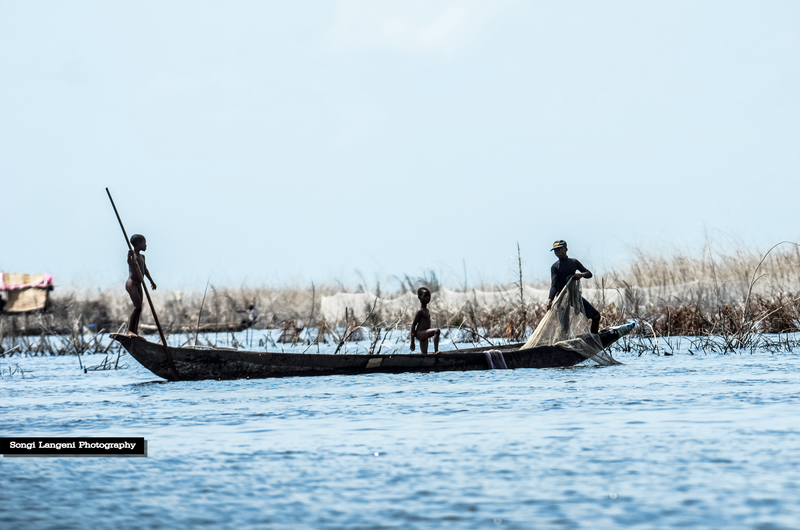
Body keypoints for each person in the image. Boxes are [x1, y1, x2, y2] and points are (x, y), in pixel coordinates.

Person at [546, 240, 600, 334]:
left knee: (596, 316)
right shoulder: (555, 267)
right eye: (555, 250)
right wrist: (550, 299)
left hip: (574, 297)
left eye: (559, 249)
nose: (557, 252)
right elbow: (554, 285)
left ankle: (594, 339)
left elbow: (589, 274)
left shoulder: (573, 262)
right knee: (565, 328)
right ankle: (563, 346)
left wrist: (581, 275)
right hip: (562, 299)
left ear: (566, 249)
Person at [126, 234, 157, 337]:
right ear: (139, 244)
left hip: (139, 284)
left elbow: (145, 270)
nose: (146, 245)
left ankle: (135, 332)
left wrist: (151, 282)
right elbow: (129, 262)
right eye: (144, 243)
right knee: (137, 307)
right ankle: (129, 331)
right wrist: (130, 256)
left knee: (139, 308)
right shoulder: (132, 255)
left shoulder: (142, 257)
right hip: (132, 284)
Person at [410, 287, 441, 354]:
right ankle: (436, 351)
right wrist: (412, 342)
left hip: (425, 334)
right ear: (419, 297)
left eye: (429, 296)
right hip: (420, 333)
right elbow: (413, 325)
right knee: (436, 331)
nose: (428, 297)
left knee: (424, 354)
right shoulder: (420, 310)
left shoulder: (426, 310)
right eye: (425, 296)